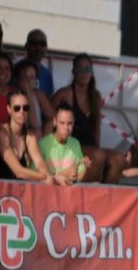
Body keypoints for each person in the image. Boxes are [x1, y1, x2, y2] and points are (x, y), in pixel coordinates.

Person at [50, 53, 124, 184]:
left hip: (90, 147)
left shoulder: (95, 96)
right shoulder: (65, 94)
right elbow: (49, 120)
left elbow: (96, 128)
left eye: (87, 69)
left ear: (92, 72)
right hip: (70, 146)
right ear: (73, 71)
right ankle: (89, 197)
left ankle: (104, 197)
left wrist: (97, 147)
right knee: (98, 155)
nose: (83, 73)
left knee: (118, 159)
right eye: (80, 69)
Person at [0, 89, 53, 183]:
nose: (22, 111)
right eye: (17, 108)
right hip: (1, 191)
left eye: (25, 108)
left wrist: (49, 177)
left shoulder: (29, 135)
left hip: (20, 190)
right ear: (9, 109)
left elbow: (39, 163)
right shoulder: (1, 132)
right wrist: (45, 177)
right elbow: (18, 171)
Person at [39, 103, 89, 186]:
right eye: (62, 123)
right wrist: (64, 174)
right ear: (55, 122)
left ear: (74, 123)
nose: (66, 128)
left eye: (69, 123)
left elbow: (77, 179)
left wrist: (85, 168)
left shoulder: (75, 143)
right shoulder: (43, 144)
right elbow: (36, 177)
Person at [13, 58, 53, 133]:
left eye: (31, 78)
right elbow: (32, 123)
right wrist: (27, 93)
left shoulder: (38, 94)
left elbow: (51, 116)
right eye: (24, 77)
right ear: (17, 79)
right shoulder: (12, 95)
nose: (28, 81)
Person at [22, 28, 56, 98]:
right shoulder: (13, 70)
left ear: (46, 48)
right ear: (26, 45)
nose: (38, 47)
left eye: (42, 44)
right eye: (34, 43)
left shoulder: (47, 75)